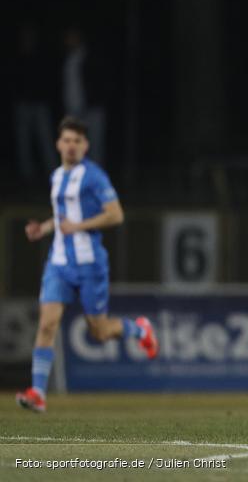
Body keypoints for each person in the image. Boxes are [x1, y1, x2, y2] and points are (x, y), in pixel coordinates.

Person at [16, 117, 158, 413]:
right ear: (58, 144)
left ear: (85, 146)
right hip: (59, 263)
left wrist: (79, 225)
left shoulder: (94, 177)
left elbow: (116, 215)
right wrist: (43, 229)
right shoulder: (56, 176)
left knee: (100, 331)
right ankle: (38, 393)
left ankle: (140, 330)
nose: (71, 146)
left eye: (77, 141)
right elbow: (61, 218)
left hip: (90, 264)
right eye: (66, 140)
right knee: (47, 324)